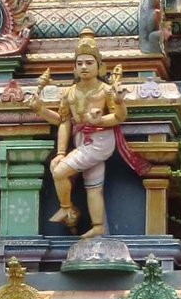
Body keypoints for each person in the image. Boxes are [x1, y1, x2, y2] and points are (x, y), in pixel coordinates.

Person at [31, 34, 129, 237]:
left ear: (99, 66)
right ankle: (98, 226)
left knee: (58, 172)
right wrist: (41, 110)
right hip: (82, 141)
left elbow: (119, 117)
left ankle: (67, 208)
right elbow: (63, 120)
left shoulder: (106, 90)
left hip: (99, 140)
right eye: (80, 63)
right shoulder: (69, 93)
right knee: (93, 186)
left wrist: (105, 115)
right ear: (74, 68)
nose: (84, 67)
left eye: (89, 62)